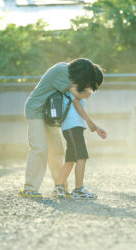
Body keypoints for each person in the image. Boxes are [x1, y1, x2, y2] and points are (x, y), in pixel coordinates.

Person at [19, 58, 106, 198]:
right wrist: (87, 92)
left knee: (57, 150)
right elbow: (78, 94)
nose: (88, 86)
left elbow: (79, 93)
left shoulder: (69, 74)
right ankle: (30, 188)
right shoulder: (63, 71)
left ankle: (61, 188)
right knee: (39, 148)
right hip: (35, 110)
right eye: (89, 83)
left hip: (48, 114)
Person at [53, 66, 106, 199]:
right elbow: (76, 102)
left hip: (73, 126)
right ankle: (78, 190)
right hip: (72, 126)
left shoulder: (76, 87)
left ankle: (59, 187)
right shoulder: (73, 85)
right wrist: (90, 122)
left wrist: (93, 125)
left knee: (71, 159)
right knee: (82, 156)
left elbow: (83, 99)